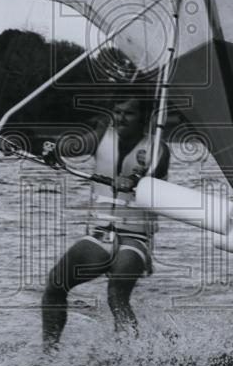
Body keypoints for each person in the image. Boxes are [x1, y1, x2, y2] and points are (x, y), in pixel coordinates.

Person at [40, 97, 170, 351]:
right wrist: (56, 148)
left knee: (116, 293)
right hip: (101, 235)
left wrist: (134, 179)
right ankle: (48, 354)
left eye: (129, 113)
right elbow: (76, 145)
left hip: (136, 240)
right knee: (55, 283)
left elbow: (152, 169)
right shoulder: (102, 136)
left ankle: (130, 359)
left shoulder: (159, 148)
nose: (121, 118)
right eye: (117, 112)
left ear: (144, 118)